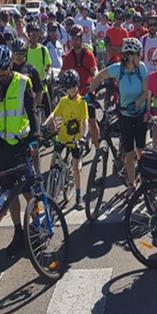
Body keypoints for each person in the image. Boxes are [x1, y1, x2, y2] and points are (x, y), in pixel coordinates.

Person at [0, 45, 39, 256]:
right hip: (2, 146)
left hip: (21, 144)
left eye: (4, 69)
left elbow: (32, 112)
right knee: (9, 192)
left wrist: (35, 138)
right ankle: (18, 233)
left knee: (27, 190)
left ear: (10, 65)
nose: (2, 74)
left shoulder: (23, 82)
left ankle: (38, 226)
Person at [89, 37, 148, 196]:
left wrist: (138, 102)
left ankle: (143, 179)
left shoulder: (141, 68)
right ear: (128, 55)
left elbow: (146, 92)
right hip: (125, 115)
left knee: (140, 150)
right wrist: (91, 92)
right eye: (137, 54)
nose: (139, 57)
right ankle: (131, 184)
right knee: (129, 153)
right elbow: (100, 76)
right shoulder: (118, 69)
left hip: (139, 113)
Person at [42, 69, 89, 210]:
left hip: (75, 140)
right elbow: (53, 115)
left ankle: (78, 196)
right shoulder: (63, 101)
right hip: (62, 137)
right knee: (54, 160)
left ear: (77, 85)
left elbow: (85, 121)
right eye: (68, 87)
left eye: (73, 86)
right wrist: (45, 125)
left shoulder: (82, 103)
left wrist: (84, 136)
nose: (71, 89)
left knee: (76, 167)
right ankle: (51, 183)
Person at [61, 25, 100, 147]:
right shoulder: (68, 57)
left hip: (87, 91)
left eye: (77, 38)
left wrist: (96, 79)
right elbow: (63, 73)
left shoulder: (88, 54)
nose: (75, 41)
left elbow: (95, 70)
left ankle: (98, 147)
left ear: (81, 39)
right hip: (73, 94)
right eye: (73, 38)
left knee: (92, 121)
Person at [26, 22, 52, 115]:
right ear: (28, 34)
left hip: (42, 87)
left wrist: (47, 76)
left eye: (36, 33)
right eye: (32, 33)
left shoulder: (43, 49)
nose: (34, 35)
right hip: (30, 90)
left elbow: (48, 66)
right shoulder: (25, 51)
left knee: (49, 116)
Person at [12, 38, 45, 109]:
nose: (18, 56)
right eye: (16, 53)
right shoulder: (8, 69)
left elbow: (39, 90)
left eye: (21, 53)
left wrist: (36, 106)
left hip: (28, 108)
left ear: (25, 53)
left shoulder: (32, 69)